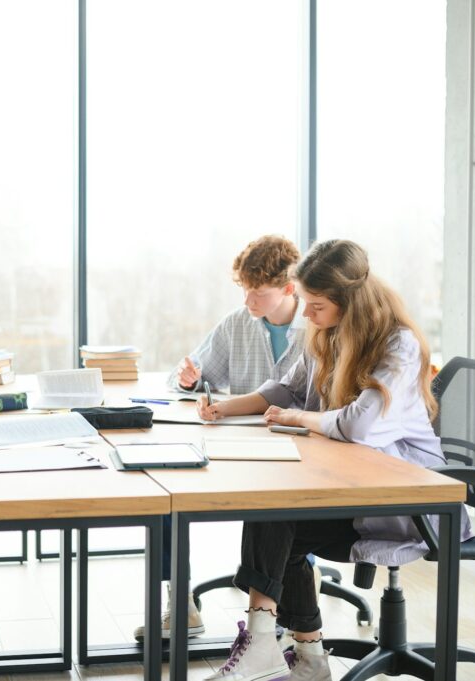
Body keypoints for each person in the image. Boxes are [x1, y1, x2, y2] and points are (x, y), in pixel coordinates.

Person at [199, 240, 471, 681]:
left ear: (349, 302)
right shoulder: (326, 334)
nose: (305, 314)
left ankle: (267, 649)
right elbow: (287, 389)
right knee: (272, 515)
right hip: (352, 488)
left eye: (316, 305)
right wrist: (227, 408)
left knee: (277, 521)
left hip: (406, 503)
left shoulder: (398, 345)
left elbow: (361, 425)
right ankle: (304, 658)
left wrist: (298, 418)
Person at [135, 236, 305, 643]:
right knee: (169, 487)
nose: (248, 300)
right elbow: (196, 377)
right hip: (240, 447)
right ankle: (181, 603)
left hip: (299, 453)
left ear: (288, 289)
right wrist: (190, 380)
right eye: (244, 290)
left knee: (281, 509)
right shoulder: (236, 323)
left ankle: (286, 613)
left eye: (258, 292)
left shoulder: (316, 327)